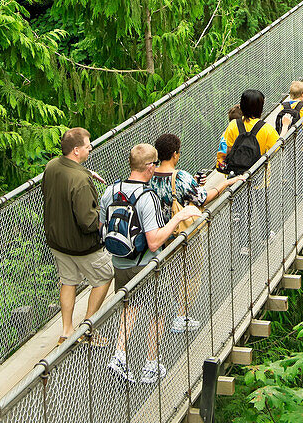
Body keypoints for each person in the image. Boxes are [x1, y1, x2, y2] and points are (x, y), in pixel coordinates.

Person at [100, 143, 201, 383]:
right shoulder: (148, 197)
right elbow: (154, 242)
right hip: (145, 265)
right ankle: (150, 364)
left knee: (130, 307)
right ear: (149, 167)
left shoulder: (110, 191)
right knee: (159, 312)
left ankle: (120, 356)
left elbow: (102, 225)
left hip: (120, 263)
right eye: (154, 164)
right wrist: (178, 218)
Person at [150, 133, 239, 333]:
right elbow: (201, 199)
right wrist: (223, 184)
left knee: (173, 274)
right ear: (174, 154)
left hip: (161, 234)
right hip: (184, 234)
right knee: (191, 275)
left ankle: (175, 310)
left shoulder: (149, 175)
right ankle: (181, 316)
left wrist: (196, 184)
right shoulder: (180, 177)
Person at [43, 127, 113, 346]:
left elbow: (65, 178)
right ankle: (87, 328)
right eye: (87, 145)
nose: (90, 148)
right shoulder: (80, 182)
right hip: (82, 246)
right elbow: (88, 222)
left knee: (68, 281)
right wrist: (107, 218)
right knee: (105, 276)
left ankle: (66, 331)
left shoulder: (52, 166)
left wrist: (87, 173)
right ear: (76, 150)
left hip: (57, 242)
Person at [219, 88, 279, 169]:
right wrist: (285, 126)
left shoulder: (233, 124)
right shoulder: (267, 129)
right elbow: (278, 147)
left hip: (235, 176)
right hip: (258, 173)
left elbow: (228, 149)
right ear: (260, 108)